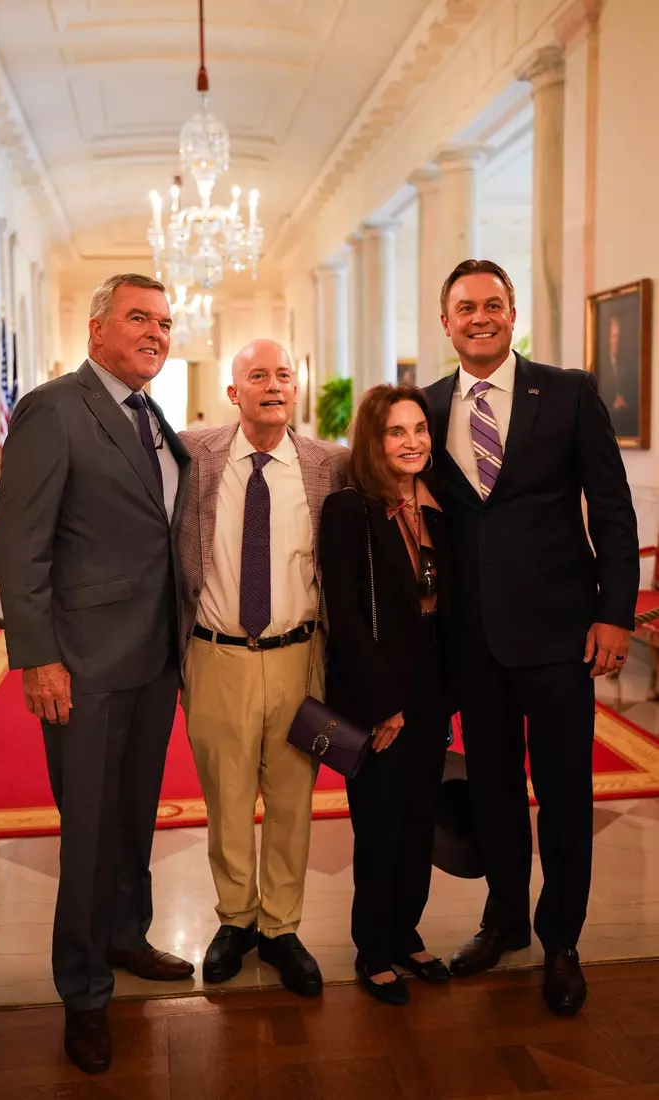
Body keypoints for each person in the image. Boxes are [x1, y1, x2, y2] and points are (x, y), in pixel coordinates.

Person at [425, 259, 639, 1017]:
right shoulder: (426, 407)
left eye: (492, 305)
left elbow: (613, 512)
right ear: (444, 321)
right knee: (490, 793)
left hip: (559, 637)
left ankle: (562, 941)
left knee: (563, 795)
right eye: (464, 308)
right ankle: (504, 920)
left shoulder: (569, 392)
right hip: (472, 644)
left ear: (511, 316)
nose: (479, 318)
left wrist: (615, 614)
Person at [0, 273, 194, 1075]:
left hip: (152, 661)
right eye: (140, 318)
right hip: (80, 663)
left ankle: (124, 936)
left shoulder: (151, 415)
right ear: (96, 328)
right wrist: (37, 656)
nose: (156, 332)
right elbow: (22, 544)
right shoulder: (54, 408)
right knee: (87, 833)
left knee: (134, 818)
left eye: (166, 322)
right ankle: (82, 992)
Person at [177, 338, 348, 996]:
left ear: (295, 390)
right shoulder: (194, 456)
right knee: (224, 800)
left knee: (292, 801)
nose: (273, 384)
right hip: (216, 655)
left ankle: (281, 926)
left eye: (283, 375)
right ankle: (235, 920)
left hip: (300, 660)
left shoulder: (329, 466)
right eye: (257, 375)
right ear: (233, 393)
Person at [319, 384, 451, 1005]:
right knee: (379, 826)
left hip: (430, 690)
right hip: (379, 696)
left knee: (420, 820)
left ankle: (407, 933)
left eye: (419, 429)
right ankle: (373, 949)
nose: (412, 442)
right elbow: (344, 615)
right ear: (373, 441)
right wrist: (381, 706)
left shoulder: (439, 503)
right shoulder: (349, 509)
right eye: (396, 432)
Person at [601, 314, 639, 438]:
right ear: (608, 339)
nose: (617, 341)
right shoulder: (600, 366)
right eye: (614, 336)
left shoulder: (629, 367)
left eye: (619, 337)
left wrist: (625, 403)